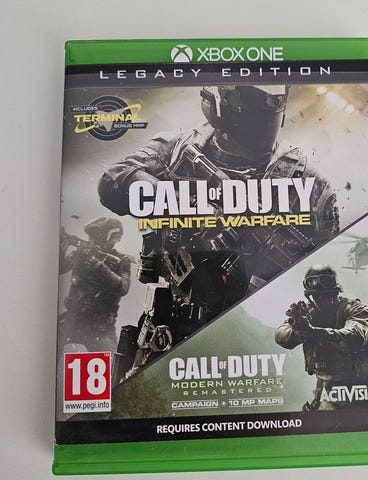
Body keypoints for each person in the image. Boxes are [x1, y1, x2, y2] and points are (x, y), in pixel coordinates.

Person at [98, 85, 339, 379]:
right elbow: (112, 182)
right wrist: (181, 203)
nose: (265, 108)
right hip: (168, 333)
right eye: (252, 99)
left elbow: (327, 270)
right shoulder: (178, 148)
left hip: (251, 340)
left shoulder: (308, 181)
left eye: (273, 100)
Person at [275, 265, 368, 411]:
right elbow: (281, 335)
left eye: (326, 295)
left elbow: (355, 337)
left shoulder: (358, 310)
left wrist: (312, 331)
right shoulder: (309, 313)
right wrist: (298, 329)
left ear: (336, 292)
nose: (321, 300)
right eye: (316, 296)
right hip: (332, 395)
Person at [58, 217, 131, 352]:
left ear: (109, 237)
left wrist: (97, 265)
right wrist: (62, 249)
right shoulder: (81, 254)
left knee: (112, 363)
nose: (91, 240)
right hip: (73, 319)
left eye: (95, 236)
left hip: (100, 328)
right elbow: (61, 269)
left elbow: (123, 287)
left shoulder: (121, 260)